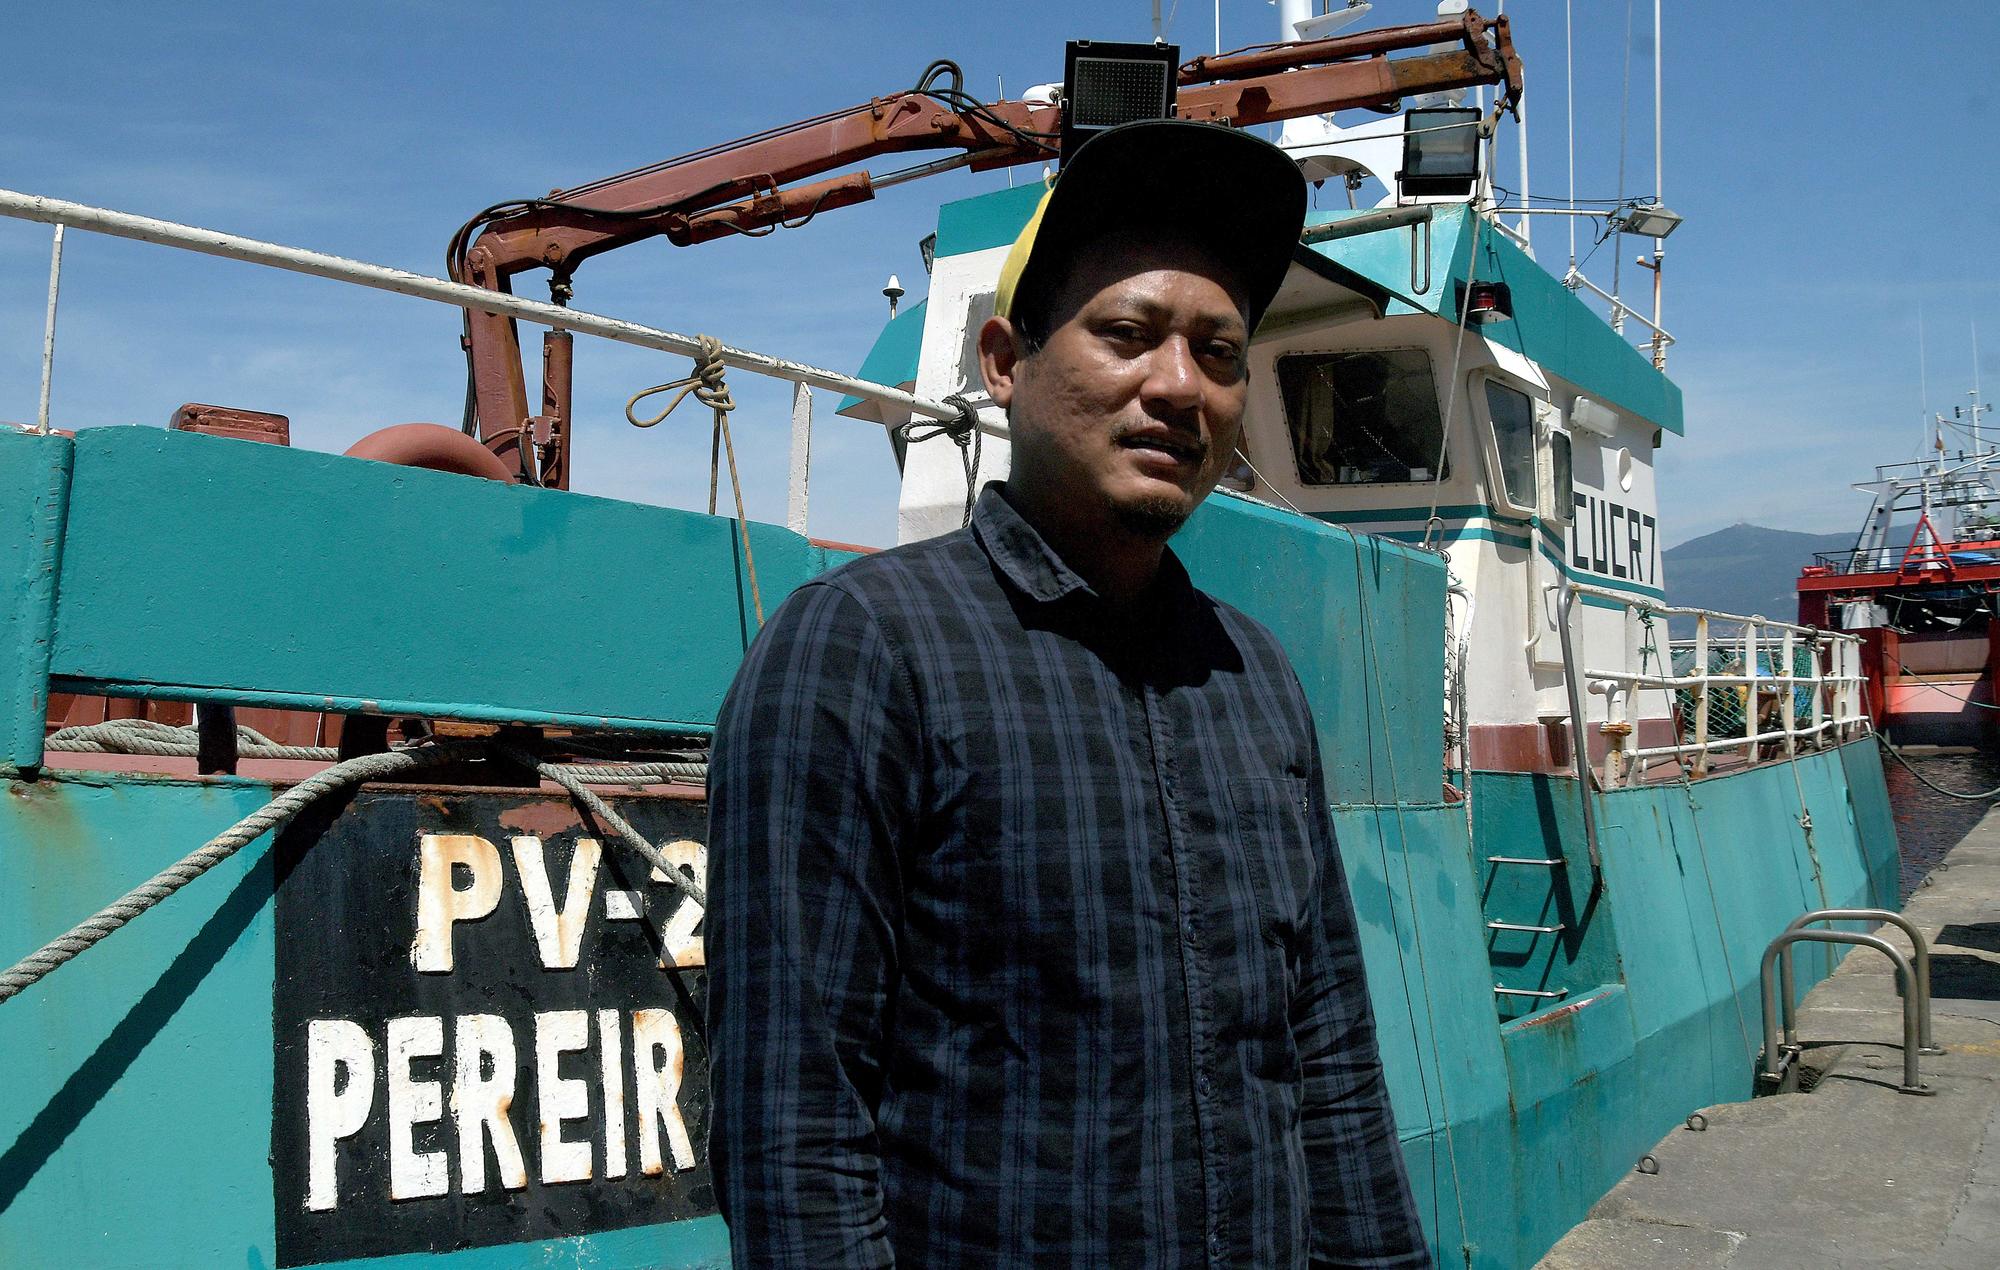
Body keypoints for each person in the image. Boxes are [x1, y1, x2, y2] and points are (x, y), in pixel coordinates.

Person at [707, 118, 1428, 1268]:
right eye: (1128, 333)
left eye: (1221, 352)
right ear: (1005, 360)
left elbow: (1327, 1055)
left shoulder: (1254, 674)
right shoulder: (860, 651)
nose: (1177, 386)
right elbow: (792, 1121)